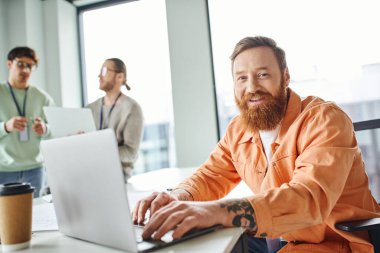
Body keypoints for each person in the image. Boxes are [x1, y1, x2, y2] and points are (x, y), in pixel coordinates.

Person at [132, 36, 380, 253]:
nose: (252, 88)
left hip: (331, 243)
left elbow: (308, 197)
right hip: (273, 237)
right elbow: (210, 175)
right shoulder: (239, 128)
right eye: (242, 78)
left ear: (285, 77)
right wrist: (177, 197)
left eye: (263, 74)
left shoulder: (324, 119)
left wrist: (217, 211)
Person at [0, 46, 55, 198]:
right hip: (3, 170)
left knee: (35, 217)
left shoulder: (42, 97)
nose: (25, 70)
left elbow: (55, 132)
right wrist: (6, 126)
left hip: (35, 169)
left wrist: (45, 129)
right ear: (9, 64)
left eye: (30, 66)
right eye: (21, 64)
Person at [87, 58, 143, 180]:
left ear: (120, 77)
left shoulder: (132, 108)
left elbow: (131, 153)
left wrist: (100, 152)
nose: (99, 76)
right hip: (91, 169)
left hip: (117, 174)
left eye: (104, 71)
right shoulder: (90, 108)